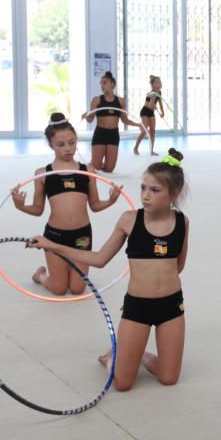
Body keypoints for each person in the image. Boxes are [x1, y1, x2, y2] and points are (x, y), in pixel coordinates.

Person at [29, 150, 190, 391]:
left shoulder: (182, 222)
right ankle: (112, 357)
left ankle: (143, 356)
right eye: (143, 188)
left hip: (171, 306)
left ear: (173, 194)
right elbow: (99, 259)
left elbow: (178, 266)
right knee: (123, 384)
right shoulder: (129, 220)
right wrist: (52, 245)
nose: (145, 196)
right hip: (138, 306)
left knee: (169, 378)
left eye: (154, 191)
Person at [10, 113, 121, 295]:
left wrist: (111, 200)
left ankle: (69, 267)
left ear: (77, 141)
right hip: (54, 236)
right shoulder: (43, 174)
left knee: (77, 289)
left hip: (82, 235)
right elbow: (38, 210)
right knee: (59, 289)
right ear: (51, 145)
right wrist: (20, 205)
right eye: (61, 145)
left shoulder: (88, 171)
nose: (68, 148)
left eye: (72, 142)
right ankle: (41, 275)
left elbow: (94, 205)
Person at [83, 71, 142, 173]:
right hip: (100, 133)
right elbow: (90, 119)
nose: (102, 85)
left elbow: (124, 120)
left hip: (113, 134)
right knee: (95, 167)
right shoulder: (96, 100)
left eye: (104, 82)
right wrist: (86, 116)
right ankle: (93, 163)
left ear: (112, 84)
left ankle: (97, 162)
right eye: (101, 83)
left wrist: (138, 124)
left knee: (109, 169)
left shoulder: (121, 101)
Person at [133, 75, 166, 156]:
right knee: (144, 132)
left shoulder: (159, 92)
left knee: (152, 131)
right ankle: (136, 148)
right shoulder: (152, 93)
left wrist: (162, 112)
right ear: (153, 85)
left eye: (160, 82)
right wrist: (154, 106)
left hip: (151, 112)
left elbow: (160, 102)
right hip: (145, 112)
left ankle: (151, 151)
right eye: (157, 82)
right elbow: (150, 105)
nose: (159, 83)